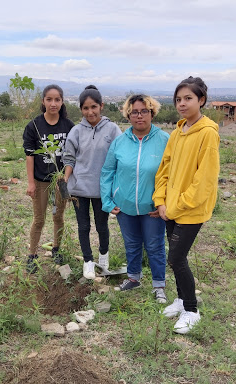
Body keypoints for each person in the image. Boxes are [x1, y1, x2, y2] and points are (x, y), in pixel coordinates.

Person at [153, 76, 220, 334]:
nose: (182, 104)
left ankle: (191, 310)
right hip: (169, 208)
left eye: (188, 98)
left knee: (176, 258)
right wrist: (161, 201)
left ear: (201, 100)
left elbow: (204, 181)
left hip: (190, 211)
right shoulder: (177, 132)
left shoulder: (207, 134)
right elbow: (164, 170)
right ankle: (181, 300)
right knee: (175, 258)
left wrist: (175, 206)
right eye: (178, 99)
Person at [100, 94, 169, 303]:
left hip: (153, 207)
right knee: (131, 244)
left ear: (152, 113)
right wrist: (108, 201)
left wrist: (166, 204)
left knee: (155, 245)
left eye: (144, 111)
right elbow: (107, 171)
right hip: (125, 206)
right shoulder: (120, 142)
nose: (139, 116)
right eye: (134, 112)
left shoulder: (165, 140)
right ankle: (133, 278)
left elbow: (173, 175)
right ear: (128, 115)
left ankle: (159, 285)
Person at [63, 85, 122, 279]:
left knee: (101, 225)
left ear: (101, 106)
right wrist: (64, 180)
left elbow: (120, 158)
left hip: (102, 190)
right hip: (79, 188)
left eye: (94, 107)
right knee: (83, 226)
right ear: (81, 109)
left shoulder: (112, 130)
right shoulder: (76, 131)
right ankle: (87, 261)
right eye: (86, 108)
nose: (90, 112)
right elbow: (69, 158)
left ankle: (103, 257)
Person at [23, 84, 75, 273]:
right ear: (43, 101)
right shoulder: (34, 126)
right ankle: (32, 255)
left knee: (58, 217)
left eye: (57, 100)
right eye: (49, 99)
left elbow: (72, 155)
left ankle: (56, 249)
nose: (53, 103)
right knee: (39, 219)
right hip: (40, 180)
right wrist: (30, 183)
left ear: (62, 102)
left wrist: (67, 177)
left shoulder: (68, 126)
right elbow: (30, 156)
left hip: (60, 182)